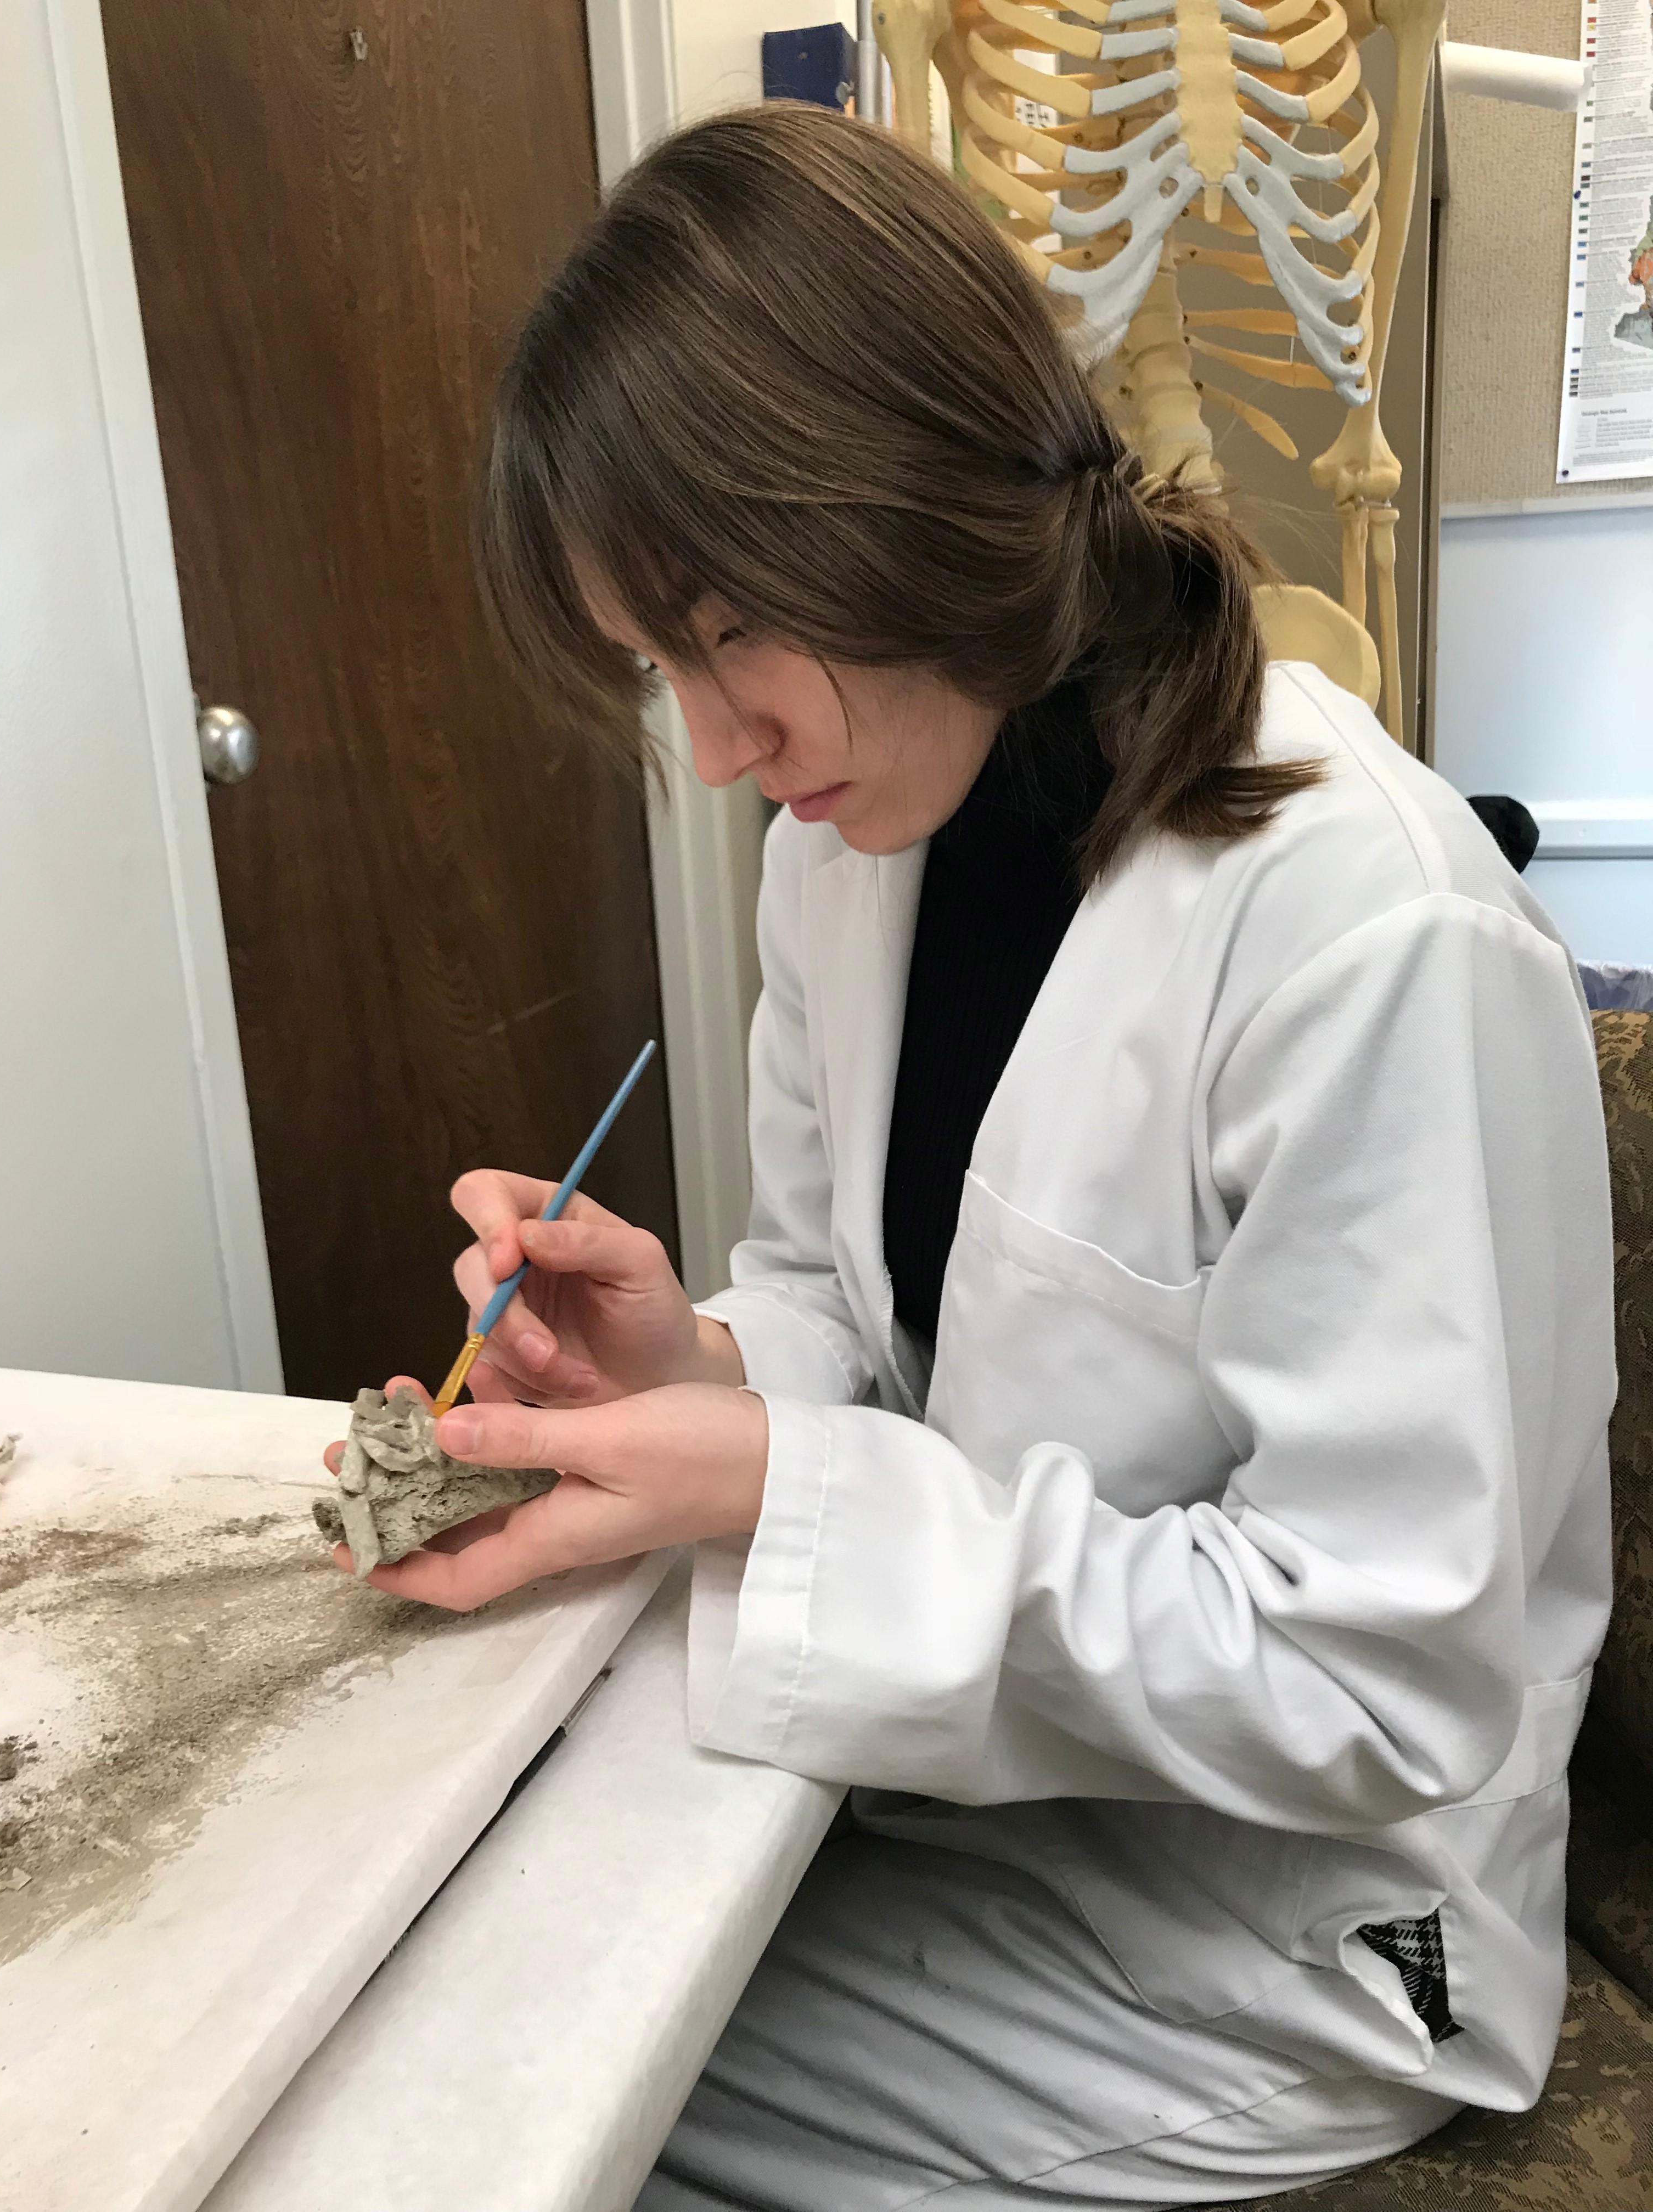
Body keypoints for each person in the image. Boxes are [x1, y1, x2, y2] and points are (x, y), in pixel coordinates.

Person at [326, 106, 1616, 2208]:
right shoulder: (856, 843)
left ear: (911, 509)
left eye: (732, 630)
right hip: (985, 1810)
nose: (718, 746)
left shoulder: (1371, 924)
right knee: (460, 1962)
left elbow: (1380, 1670)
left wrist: (780, 1491)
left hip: (1282, 1928)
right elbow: (859, 1305)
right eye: (663, 667)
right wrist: (705, 1372)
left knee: (493, 2114)